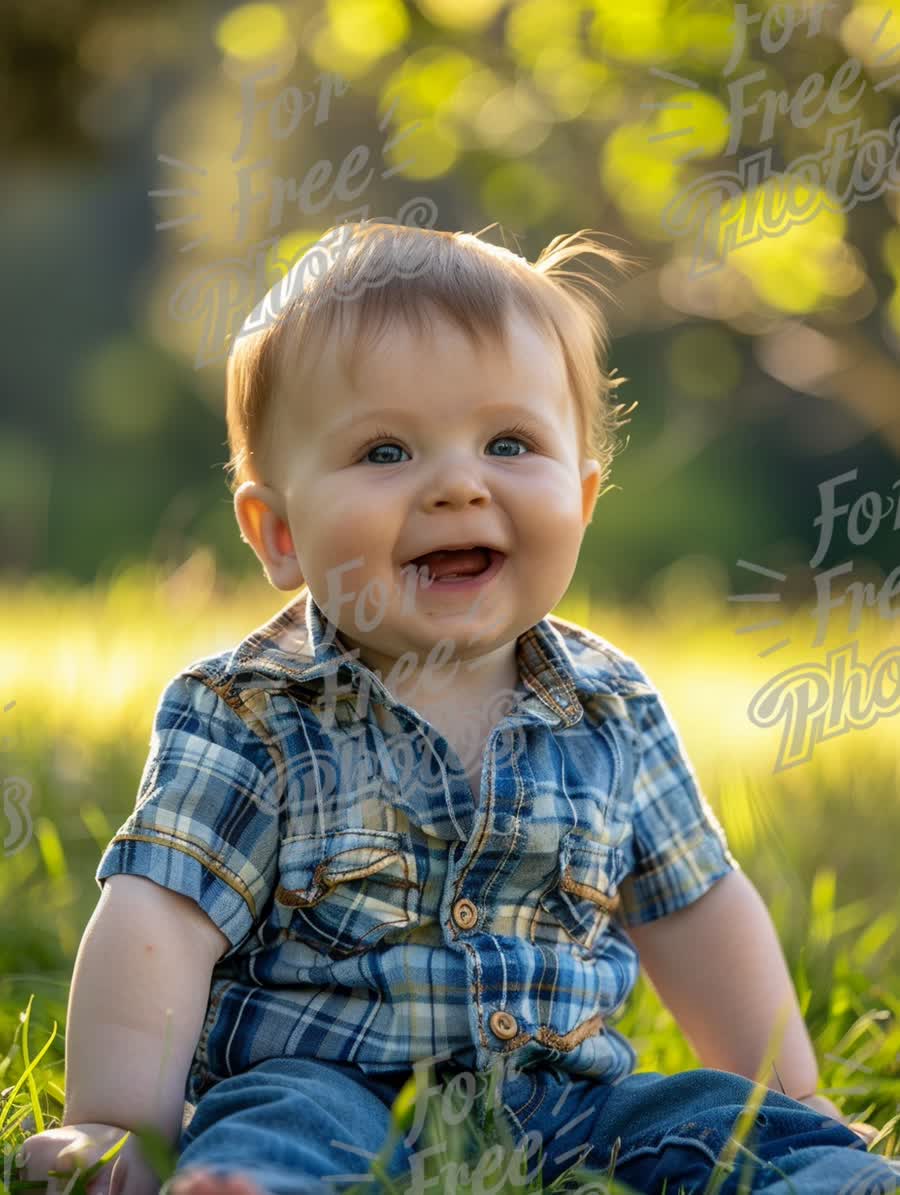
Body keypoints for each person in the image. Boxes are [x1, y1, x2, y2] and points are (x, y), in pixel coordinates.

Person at [17, 222, 900, 1195]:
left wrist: (793, 1089)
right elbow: (161, 918)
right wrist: (117, 1121)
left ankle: (819, 1174)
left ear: (584, 494)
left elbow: (696, 907)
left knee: (713, 1121)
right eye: (386, 449)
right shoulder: (251, 711)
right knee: (277, 1126)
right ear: (278, 533)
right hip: (329, 1083)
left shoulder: (611, 709)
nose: (457, 483)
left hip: (567, 1096)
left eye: (509, 442)